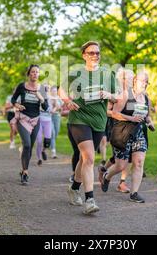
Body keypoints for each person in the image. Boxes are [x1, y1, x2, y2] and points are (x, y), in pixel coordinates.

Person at [59, 41, 117, 215]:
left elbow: (119, 97)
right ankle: (90, 200)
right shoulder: (76, 73)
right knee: (89, 158)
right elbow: (60, 89)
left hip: (99, 122)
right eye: (91, 52)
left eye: (98, 53)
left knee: (85, 160)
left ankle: (74, 188)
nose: (95, 55)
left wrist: (109, 95)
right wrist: (68, 102)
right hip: (79, 119)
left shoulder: (108, 75)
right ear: (84, 55)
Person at [101, 71, 154, 203]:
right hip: (122, 132)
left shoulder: (146, 98)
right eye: (142, 81)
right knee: (121, 165)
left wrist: (149, 121)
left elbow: (147, 115)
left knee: (139, 162)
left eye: (146, 81)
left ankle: (134, 193)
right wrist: (131, 118)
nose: (144, 84)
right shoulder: (126, 94)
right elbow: (114, 113)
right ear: (135, 81)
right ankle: (107, 176)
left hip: (139, 132)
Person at [11, 65, 49, 185]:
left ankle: (23, 170)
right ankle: (26, 173)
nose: (35, 74)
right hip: (23, 118)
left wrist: (41, 98)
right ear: (29, 74)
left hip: (35, 119)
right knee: (26, 144)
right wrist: (17, 105)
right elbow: (13, 100)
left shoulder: (42, 88)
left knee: (30, 146)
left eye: (37, 72)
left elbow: (46, 107)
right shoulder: (22, 86)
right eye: (33, 72)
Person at [98, 67, 133, 193]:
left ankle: (121, 182)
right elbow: (106, 111)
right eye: (124, 78)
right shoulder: (115, 93)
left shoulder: (133, 93)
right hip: (117, 129)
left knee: (126, 157)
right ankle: (106, 173)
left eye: (128, 78)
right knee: (120, 159)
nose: (126, 80)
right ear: (119, 79)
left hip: (132, 130)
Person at [35, 84, 52, 166]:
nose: (46, 89)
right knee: (39, 141)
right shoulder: (38, 97)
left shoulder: (52, 98)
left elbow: (56, 107)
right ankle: (39, 159)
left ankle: (43, 150)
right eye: (45, 88)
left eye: (48, 88)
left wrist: (55, 108)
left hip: (48, 121)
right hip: (38, 120)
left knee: (47, 141)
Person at [49, 86, 62, 159]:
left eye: (55, 91)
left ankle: (48, 143)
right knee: (52, 133)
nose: (54, 92)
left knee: (56, 133)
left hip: (57, 117)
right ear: (50, 91)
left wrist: (56, 101)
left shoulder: (59, 98)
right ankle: (53, 152)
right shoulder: (48, 98)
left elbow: (59, 107)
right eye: (53, 91)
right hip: (49, 117)